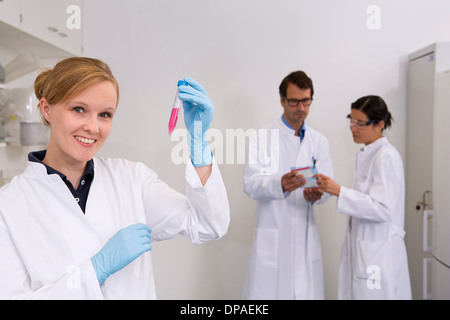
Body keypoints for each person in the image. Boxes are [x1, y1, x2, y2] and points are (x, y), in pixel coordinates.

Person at [0, 57, 230, 299]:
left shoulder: (132, 179)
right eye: (79, 109)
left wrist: (198, 143)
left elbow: (206, 224)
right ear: (47, 109)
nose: (93, 127)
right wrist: (95, 271)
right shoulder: (9, 205)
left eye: (105, 115)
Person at [242, 70, 334, 299]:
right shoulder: (261, 137)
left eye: (306, 101)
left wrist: (318, 195)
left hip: (304, 233)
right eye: (294, 101)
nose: (300, 108)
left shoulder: (319, 141)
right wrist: (280, 184)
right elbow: (250, 183)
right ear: (282, 100)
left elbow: (327, 185)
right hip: (273, 231)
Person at [314, 95, 412, 300]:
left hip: (379, 255)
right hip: (365, 251)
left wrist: (339, 191)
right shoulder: (367, 154)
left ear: (380, 125)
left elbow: (383, 209)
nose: (353, 128)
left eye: (360, 123)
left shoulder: (385, 157)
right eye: (351, 121)